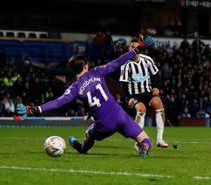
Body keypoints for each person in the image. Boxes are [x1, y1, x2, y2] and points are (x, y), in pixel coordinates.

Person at [26, 37, 155, 157]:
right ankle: (144, 148)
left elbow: (58, 102)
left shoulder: (74, 88)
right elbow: (118, 62)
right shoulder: (97, 71)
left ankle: (81, 148)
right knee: (145, 139)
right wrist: (137, 50)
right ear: (85, 65)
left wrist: (37, 109)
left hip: (104, 125)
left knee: (89, 133)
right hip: (120, 115)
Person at [119, 38, 169, 148]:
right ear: (129, 49)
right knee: (142, 109)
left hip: (147, 92)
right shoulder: (126, 65)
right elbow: (123, 84)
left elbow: (156, 74)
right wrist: (129, 98)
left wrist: (156, 87)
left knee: (158, 103)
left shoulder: (147, 60)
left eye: (136, 47)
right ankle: (138, 142)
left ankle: (160, 139)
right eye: (131, 47)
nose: (134, 49)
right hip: (134, 95)